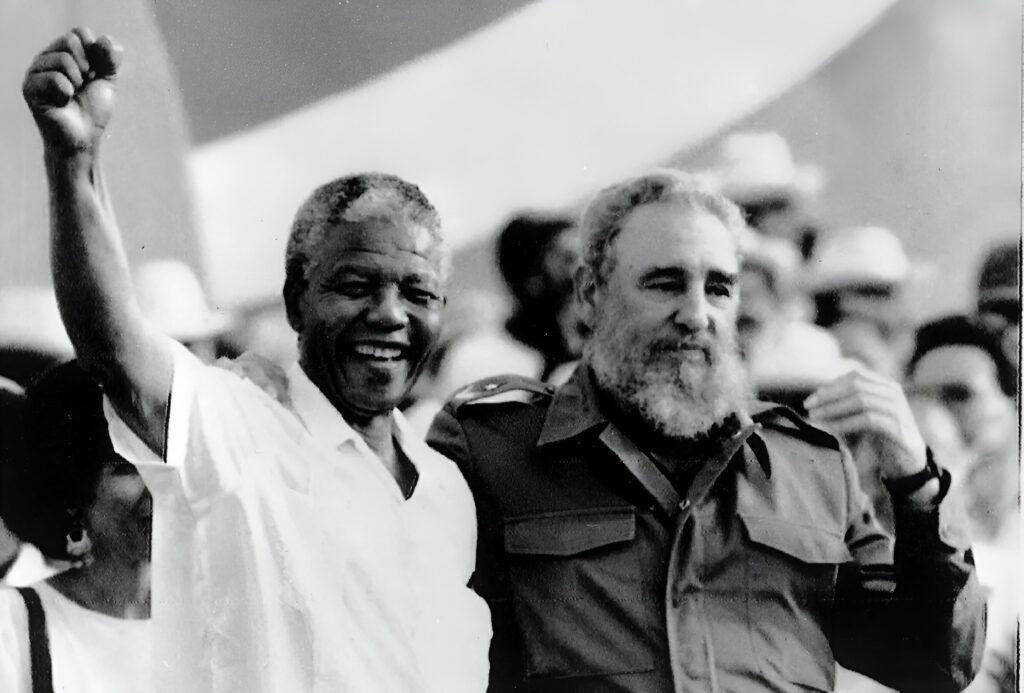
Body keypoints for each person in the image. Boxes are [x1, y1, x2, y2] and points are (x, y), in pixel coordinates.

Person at [23, 27, 489, 692]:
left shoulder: (446, 486)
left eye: (418, 292)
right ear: (298, 299)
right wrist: (74, 164)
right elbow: (115, 344)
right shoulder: (240, 430)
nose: (389, 313)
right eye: (356, 285)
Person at [428, 170, 985, 692]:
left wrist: (918, 487)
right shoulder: (493, 447)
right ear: (590, 293)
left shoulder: (812, 466)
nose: (697, 314)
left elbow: (936, 663)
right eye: (666, 284)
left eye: (718, 287)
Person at [0, 362, 151, 693]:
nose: (157, 487)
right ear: (73, 495)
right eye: (127, 469)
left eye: (162, 461)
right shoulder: (11, 630)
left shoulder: (218, 616)